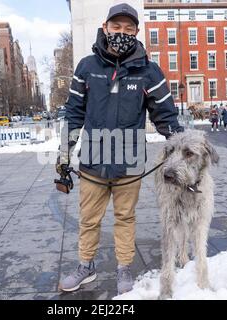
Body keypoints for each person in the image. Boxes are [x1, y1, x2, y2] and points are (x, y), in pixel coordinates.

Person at [55, 3, 184, 295]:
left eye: (128, 28)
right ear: (106, 28)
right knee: (89, 218)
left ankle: (124, 266)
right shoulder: (87, 67)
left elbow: (166, 117)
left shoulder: (149, 71)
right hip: (92, 161)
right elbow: (74, 112)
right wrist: (64, 154)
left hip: (130, 160)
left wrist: (181, 149)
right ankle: (86, 266)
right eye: (117, 27)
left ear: (136, 32)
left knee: (125, 217)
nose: (122, 33)